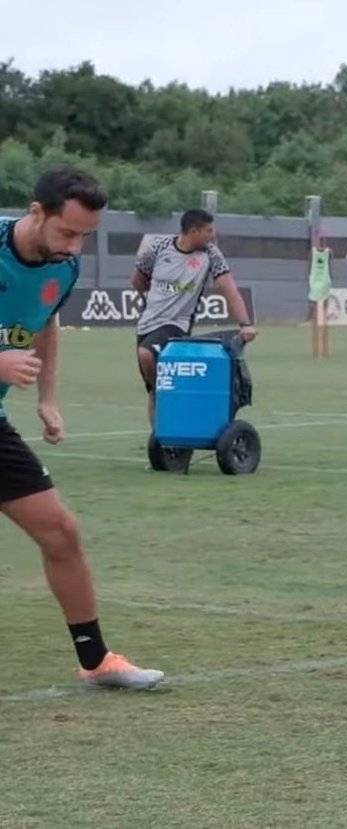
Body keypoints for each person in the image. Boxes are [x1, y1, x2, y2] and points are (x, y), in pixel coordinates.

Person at [0, 168, 163, 689]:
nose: (74, 246)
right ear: (36, 211)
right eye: (66, 232)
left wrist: (48, 399)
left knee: (61, 532)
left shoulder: (62, 268)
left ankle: (95, 661)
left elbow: (45, 322)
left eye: (85, 236)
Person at [131, 209, 256, 425]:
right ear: (194, 231)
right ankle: (163, 442)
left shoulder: (211, 254)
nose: (213, 235)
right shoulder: (158, 248)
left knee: (146, 355)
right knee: (153, 390)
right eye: (209, 230)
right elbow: (138, 280)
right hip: (147, 324)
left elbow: (229, 289)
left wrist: (245, 324)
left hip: (176, 325)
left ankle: (168, 398)